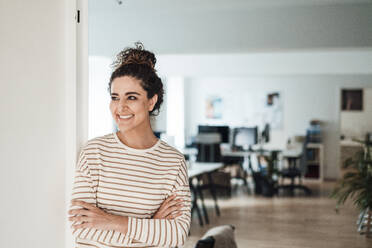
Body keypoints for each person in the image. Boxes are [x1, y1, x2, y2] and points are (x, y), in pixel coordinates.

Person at [68, 42, 191, 247]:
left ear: (151, 102)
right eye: (115, 97)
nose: (120, 107)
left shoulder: (173, 162)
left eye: (131, 97)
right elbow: (81, 227)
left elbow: (177, 235)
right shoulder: (94, 152)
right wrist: (152, 226)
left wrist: (109, 221)